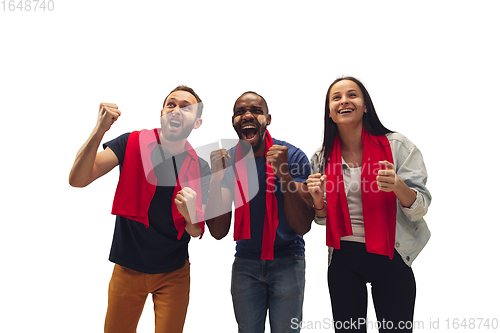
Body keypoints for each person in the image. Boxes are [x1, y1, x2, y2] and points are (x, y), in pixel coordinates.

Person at [68, 85, 210, 333]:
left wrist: (190, 216)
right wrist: (99, 130)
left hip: (174, 273)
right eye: (171, 104)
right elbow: (78, 179)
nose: (176, 110)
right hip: (127, 268)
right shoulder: (130, 143)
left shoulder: (201, 167)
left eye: (186, 108)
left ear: (197, 122)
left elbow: (196, 231)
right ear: (162, 113)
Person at [307, 77, 431, 333]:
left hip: (391, 253)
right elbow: (322, 220)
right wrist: (318, 201)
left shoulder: (397, 146)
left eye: (352, 95)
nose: (344, 101)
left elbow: (420, 207)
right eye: (336, 97)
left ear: (365, 106)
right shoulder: (321, 157)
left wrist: (398, 185)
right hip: (344, 256)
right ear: (330, 112)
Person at [205, 91, 314, 332]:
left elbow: (303, 226)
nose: (247, 116)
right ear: (233, 121)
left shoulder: (293, 156)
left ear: (268, 119)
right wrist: (215, 179)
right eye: (240, 112)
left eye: (256, 111)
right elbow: (219, 231)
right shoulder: (227, 161)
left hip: (288, 260)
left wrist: (284, 174)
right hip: (246, 263)